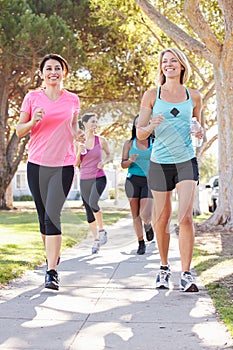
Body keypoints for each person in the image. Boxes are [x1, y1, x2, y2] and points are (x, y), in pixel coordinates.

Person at [137, 47, 203, 292]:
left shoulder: (193, 96)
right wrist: (151, 125)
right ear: (161, 67)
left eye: (173, 60)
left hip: (186, 160)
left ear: (182, 65)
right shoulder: (152, 95)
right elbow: (140, 133)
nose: (169, 64)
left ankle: (186, 273)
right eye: (165, 61)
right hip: (160, 162)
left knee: (185, 217)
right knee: (162, 218)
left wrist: (199, 132)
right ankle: (164, 268)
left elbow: (199, 129)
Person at [16, 53, 84, 291]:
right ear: (42, 73)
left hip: (63, 165)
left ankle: (52, 272)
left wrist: (79, 135)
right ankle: (51, 258)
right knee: (43, 217)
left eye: (57, 68)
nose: (53, 72)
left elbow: (74, 126)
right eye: (48, 68)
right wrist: (33, 121)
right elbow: (19, 131)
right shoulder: (32, 97)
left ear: (64, 72)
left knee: (52, 215)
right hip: (37, 164)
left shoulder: (72, 99)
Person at [76, 113, 111, 254]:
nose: (95, 124)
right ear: (84, 123)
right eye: (92, 122)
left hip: (99, 177)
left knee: (93, 202)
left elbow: (109, 154)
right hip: (84, 179)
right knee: (88, 212)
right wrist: (78, 151)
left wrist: (104, 162)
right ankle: (96, 240)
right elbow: (76, 163)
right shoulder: (79, 142)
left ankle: (102, 231)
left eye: (96, 122)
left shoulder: (101, 140)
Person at [121, 115, 154, 255]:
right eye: (138, 124)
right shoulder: (129, 143)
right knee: (135, 215)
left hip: (150, 181)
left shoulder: (155, 142)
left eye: (144, 123)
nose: (141, 126)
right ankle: (141, 243)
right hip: (132, 180)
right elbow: (123, 164)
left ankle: (148, 225)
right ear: (135, 127)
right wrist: (130, 160)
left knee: (145, 214)